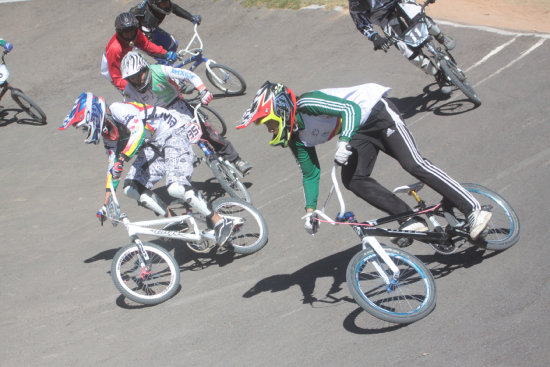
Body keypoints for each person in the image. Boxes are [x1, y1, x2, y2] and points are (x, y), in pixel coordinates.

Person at [237, 81, 492, 241]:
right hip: (359, 130)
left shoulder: (307, 103)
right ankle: (409, 218)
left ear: (280, 110)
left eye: (268, 122)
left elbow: (350, 110)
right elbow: (310, 174)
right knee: (353, 179)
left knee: (412, 163)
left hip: (376, 112)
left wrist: (343, 141)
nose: (270, 129)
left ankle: (473, 208)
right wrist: (310, 210)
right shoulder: (296, 138)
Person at [59, 92, 235, 246]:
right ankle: (174, 219)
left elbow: (138, 132)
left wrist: (123, 157)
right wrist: (106, 203)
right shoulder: (108, 135)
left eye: (83, 126)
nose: (84, 130)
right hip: (154, 146)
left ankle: (219, 222)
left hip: (172, 132)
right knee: (130, 188)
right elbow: (112, 168)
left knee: (175, 187)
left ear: (93, 116)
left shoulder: (118, 110)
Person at [120, 51, 252, 175]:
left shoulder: (159, 70)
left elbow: (189, 75)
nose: (137, 81)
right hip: (158, 118)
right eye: (132, 78)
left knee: (208, 134)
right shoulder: (129, 91)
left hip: (177, 105)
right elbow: (130, 112)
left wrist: (202, 89)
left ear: (145, 69)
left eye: (139, 75)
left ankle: (236, 160)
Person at [348, 0, 455, 93]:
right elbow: (361, 24)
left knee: (419, 15)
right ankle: (438, 75)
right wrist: (374, 37)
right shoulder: (355, 4)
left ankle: (440, 35)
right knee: (407, 51)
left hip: (400, 2)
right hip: (383, 18)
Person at [101, 12, 178, 92]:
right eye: (126, 33)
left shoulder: (136, 33)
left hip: (126, 57)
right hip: (112, 67)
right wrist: (133, 90)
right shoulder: (115, 48)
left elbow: (146, 45)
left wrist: (165, 53)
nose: (130, 35)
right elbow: (117, 78)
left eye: (132, 31)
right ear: (120, 32)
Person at [130, 0, 202, 52]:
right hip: (139, 37)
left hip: (150, 29)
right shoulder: (148, 19)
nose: (167, 6)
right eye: (164, 4)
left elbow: (175, 8)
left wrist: (190, 17)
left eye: (167, 2)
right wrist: (164, 54)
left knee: (173, 45)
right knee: (165, 57)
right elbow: (148, 43)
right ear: (155, 5)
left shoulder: (157, 5)